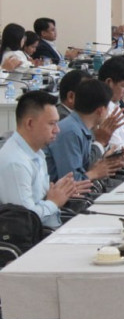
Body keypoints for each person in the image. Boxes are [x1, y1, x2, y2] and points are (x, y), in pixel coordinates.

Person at [0, 91, 92, 228]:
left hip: (52, 227)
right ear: (30, 123)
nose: (57, 130)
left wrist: (61, 191)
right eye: (52, 124)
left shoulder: (37, 152)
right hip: (39, 238)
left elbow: (38, 200)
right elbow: (25, 221)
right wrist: (54, 202)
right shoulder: (15, 163)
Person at [45, 79, 124, 183]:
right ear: (101, 110)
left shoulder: (81, 127)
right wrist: (96, 172)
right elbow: (71, 181)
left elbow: (84, 165)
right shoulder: (70, 132)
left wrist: (106, 160)